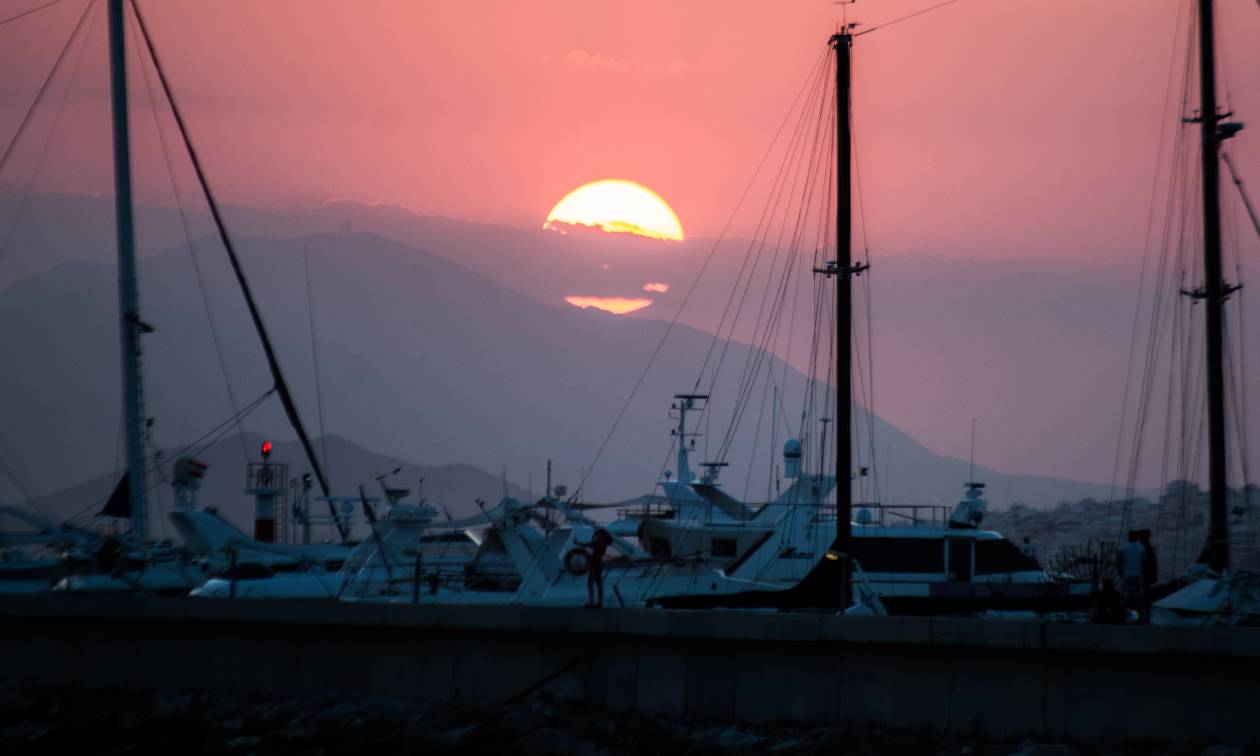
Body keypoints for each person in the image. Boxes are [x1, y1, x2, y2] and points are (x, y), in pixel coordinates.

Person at [576, 527, 613, 608]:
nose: (597, 536)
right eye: (597, 535)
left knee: (591, 583)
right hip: (598, 564)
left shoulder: (597, 543)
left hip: (595, 564)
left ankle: (593, 603)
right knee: (597, 584)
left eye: (598, 535)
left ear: (601, 535)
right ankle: (599, 603)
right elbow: (588, 545)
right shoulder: (604, 543)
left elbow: (585, 545)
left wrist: (577, 543)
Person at [1117, 530, 1146, 619]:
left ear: (1129, 537)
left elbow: (1119, 562)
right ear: (1136, 537)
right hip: (1139, 575)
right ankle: (1140, 616)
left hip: (1126, 575)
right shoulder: (1142, 548)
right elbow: (1144, 562)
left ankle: (1122, 615)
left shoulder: (1123, 548)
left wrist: (1121, 573)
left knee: (1124, 596)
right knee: (1139, 597)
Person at [1137, 529, 1158, 623]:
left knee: (1143, 596)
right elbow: (1153, 562)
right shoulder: (1147, 547)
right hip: (1146, 575)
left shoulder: (1143, 547)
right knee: (1145, 596)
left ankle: (1143, 616)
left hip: (1144, 575)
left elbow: (1151, 562)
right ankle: (1144, 616)